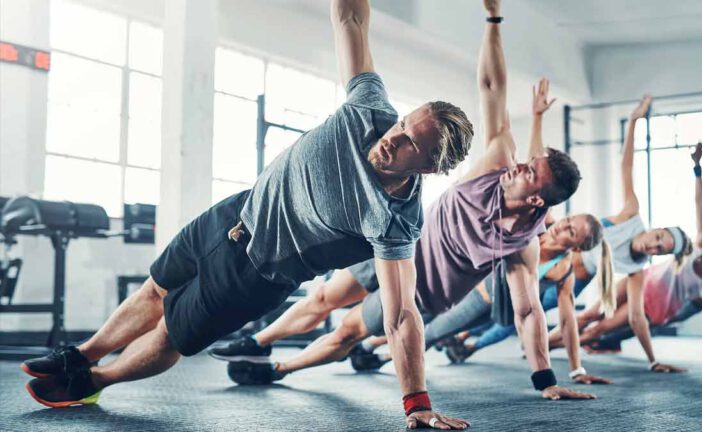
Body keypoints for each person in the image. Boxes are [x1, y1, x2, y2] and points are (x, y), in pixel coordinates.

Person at [22, 1, 475, 427]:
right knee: (154, 290)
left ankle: (92, 382)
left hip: (256, 274)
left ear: (431, 166)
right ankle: (80, 355)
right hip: (233, 214)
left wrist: (417, 402)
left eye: (411, 142)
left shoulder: (395, 220)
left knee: (170, 336)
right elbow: (350, 21)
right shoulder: (369, 108)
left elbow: (400, 315)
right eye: (402, 125)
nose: (393, 138)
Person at [211, 0, 592, 402]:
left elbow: (528, 311)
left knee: (349, 330)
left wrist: (544, 380)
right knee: (324, 297)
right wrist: (493, 19)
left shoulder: (522, 246)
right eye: (527, 163)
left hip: (422, 292)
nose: (519, 168)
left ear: (535, 199)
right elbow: (491, 88)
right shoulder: (497, 161)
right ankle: (259, 341)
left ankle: (279, 368)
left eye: (529, 173)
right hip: (392, 243)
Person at [553, 143, 702, 367]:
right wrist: (697, 168)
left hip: (655, 307)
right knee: (590, 314)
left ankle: (549, 347)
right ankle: (543, 341)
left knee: (600, 329)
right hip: (646, 281)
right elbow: (700, 204)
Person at [361, 211, 615, 386]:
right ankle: (371, 348)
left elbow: (568, 320)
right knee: (423, 324)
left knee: (434, 332)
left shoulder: (564, 270)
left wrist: (576, 369)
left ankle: (379, 355)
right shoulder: (538, 226)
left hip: (491, 310)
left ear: (578, 247)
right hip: (472, 290)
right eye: (569, 219)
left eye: (571, 231)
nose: (563, 225)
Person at [544, 95, 690, 372]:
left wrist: (653, 360)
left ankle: (539, 346)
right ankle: (473, 336)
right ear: (655, 229)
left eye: (661, 250)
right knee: (511, 301)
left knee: (571, 317)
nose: (653, 247)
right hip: (557, 251)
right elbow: (627, 166)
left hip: (573, 278)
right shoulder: (632, 215)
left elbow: (637, 317)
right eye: (658, 239)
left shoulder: (637, 269)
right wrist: (634, 121)